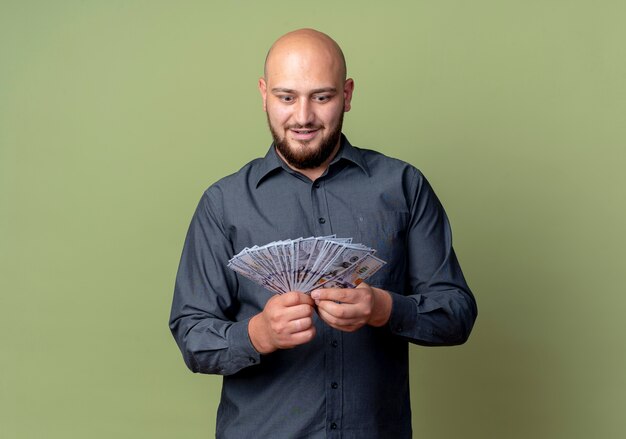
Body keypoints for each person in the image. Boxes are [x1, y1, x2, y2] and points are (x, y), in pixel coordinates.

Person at [169, 28, 477, 439]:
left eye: (322, 96)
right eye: (286, 97)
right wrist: (256, 334)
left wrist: (382, 308)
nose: (303, 117)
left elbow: (456, 313)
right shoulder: (223, 203)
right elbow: (191, 334)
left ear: (347, 94)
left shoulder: (403, 186)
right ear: (263, 94)